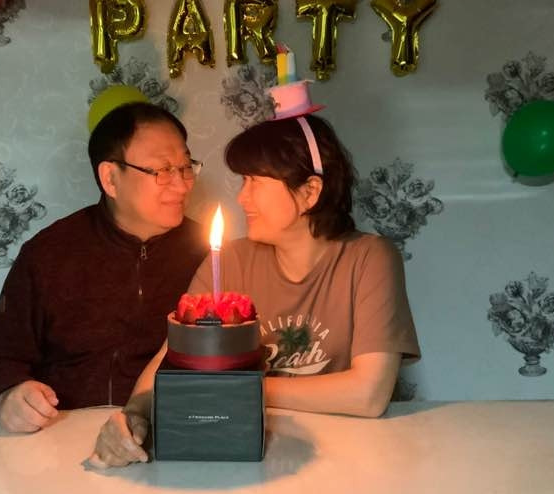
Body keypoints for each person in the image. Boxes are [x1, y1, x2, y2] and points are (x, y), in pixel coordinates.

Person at [90, 112, 420, 467]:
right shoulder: (231, 260)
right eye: (242, 181)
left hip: (347, 458)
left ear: (310, 192)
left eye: (255, 182)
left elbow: (368, 394)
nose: (242, 197)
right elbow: (171, 357)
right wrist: (134, 414)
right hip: (249, 453)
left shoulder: (369, 258)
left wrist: (235, 390)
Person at [0, 101, 209, 433]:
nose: (183, 184)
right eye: (163, 170)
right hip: (63, 433)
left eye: (186, 167)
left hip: (172, 431)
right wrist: (8, 394)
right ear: (110, 178)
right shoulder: (50, 252)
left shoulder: (208, 254)